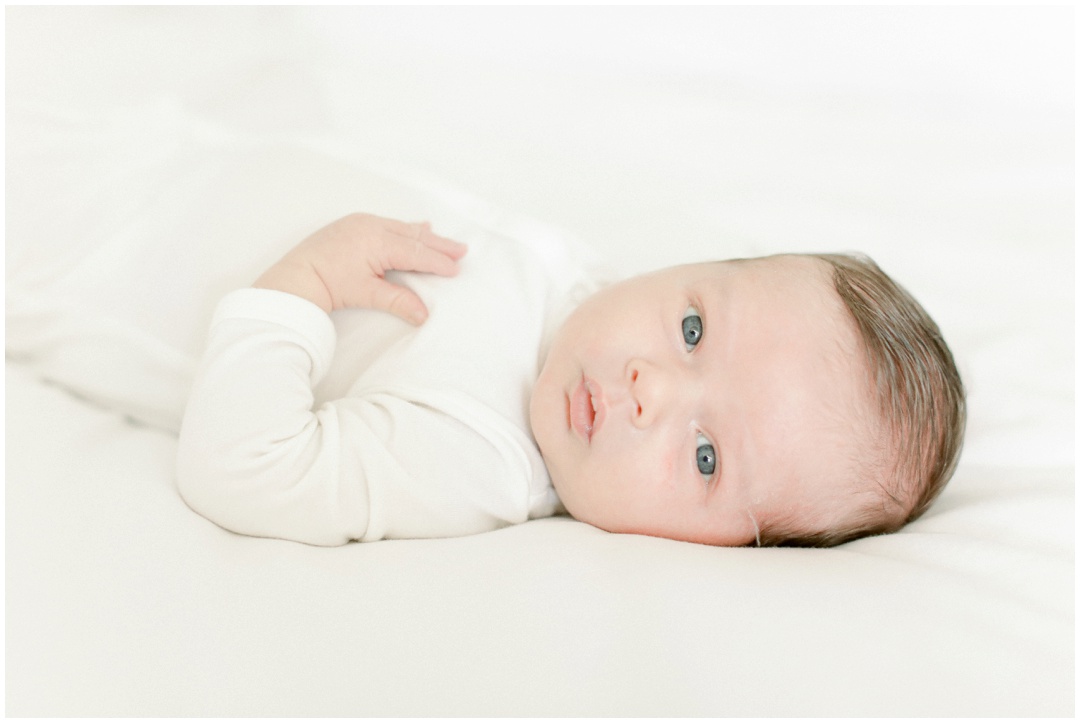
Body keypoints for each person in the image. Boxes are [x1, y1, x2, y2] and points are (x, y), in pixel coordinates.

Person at [176, 212, 965, 547]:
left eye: (706, 457)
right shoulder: (570, 278)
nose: (649, 387)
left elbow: (240, 467)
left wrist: (305, 281)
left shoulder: (476, 455)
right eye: (692, 329)